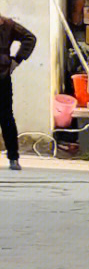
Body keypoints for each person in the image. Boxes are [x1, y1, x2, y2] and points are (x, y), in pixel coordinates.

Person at [0, 14, 36, 171]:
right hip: (2, 74)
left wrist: (17, 59)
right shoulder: (7, 24)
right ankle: (13, 158)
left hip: (2, 74)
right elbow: (29, 38)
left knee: (6, 116)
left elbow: (30, 38)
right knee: (6, 116)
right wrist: (16, 60)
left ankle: (14, 156)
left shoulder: (7, 24)